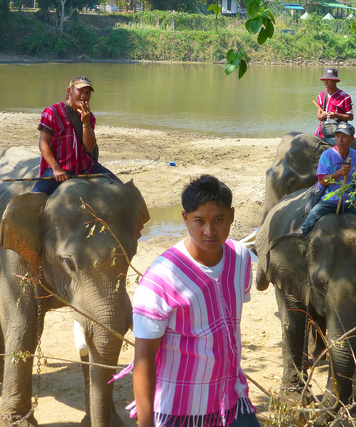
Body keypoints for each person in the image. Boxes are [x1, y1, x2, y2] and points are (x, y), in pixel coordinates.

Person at [121, 175, 259, 427]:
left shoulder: (241, 258)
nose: (209, 231)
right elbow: (144, 360)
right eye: (199, 221)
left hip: (230, 397)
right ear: (185, 219)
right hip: (182, 410)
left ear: (232, 215)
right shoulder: (160, 279)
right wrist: (146, 424)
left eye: (218, 220)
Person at [32, 76, 120, 195]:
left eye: (87, 92)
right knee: (35, 196)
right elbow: (43, 142)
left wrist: (86, 123)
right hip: (60, 167)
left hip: (86, 167)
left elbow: (89, 148)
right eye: (80, 91)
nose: (84, 95)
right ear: (69, 91)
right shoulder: (52, 112)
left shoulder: (90, 116)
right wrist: (56, 168)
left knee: (121, 188)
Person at [302, 122, 356, 235]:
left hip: (349, 201)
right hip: (329, 200)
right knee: (309, 222)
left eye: (344, 137)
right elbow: (322, 181)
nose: (339, 140)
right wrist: (339, 173)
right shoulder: (326, 155)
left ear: (352, 139)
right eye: (337, 136)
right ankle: (303, 244)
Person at [315, 67, 353, 144]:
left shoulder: (345, 97)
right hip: (324, 128)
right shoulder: (322, 95)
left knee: (336, 146)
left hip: (338, 129)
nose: (326, 83)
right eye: (324, 80)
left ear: (335, 81)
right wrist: (322, 116)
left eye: (329, 80)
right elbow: (318, 116)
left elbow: (350, 117)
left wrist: (336, 115)